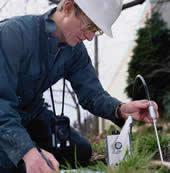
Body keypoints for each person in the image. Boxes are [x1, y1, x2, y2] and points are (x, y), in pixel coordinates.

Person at [0, 0, 159, 172]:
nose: (90, 37)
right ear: (68, 7)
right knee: (14, 164)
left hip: (32, 113)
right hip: (5, 115)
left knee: (80, 151)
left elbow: (93, 95)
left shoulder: (75, 50)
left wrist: (121, 109)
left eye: (95, 30)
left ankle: (34, 147)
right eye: (89, 25)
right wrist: (26, 150)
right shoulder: (13, 33)